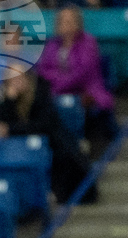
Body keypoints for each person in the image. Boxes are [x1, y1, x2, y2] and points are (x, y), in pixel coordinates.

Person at [0, 70, 92, 204]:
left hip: (54, 147)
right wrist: (9, 100)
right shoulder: (6, 100)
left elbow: (44, 125)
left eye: (19, 77)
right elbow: (1, 125)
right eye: (11, 79)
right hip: (20, 150)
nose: (16, 82)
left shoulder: (40, 93)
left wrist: (12, 129)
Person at [38, 5, 116, 149]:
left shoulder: (88, 42)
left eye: (69, 21)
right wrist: (59, 82)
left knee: (73, 103)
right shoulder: (52, 44)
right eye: (62, 21)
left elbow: (82, 73)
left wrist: (58, 82)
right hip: (57, 94)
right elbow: (43, 71)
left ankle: (82, 143)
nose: (65, 24)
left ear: (78, 22)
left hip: (86, 92)